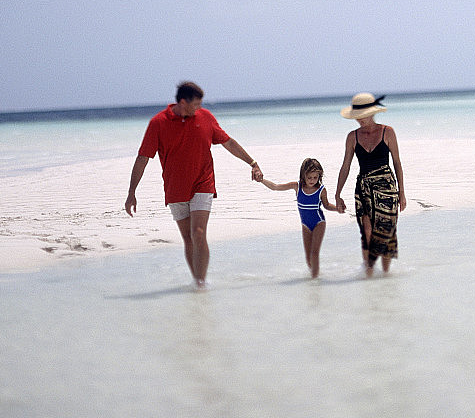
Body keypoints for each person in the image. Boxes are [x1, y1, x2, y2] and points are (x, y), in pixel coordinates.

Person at [124, 81, 264, 289]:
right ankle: (197, 282)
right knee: (189, 239)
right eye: (196, 104)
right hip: (175, 189)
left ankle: (201, 283)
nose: (199, 108)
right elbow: (143, 158)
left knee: (198, 232)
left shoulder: (205, 117)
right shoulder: (158, 123)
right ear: (182, 102)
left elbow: (228, 142)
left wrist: (252, 163)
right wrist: (131, 192)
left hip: (203, 182)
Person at [335, 93, 406, 276]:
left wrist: (402, 193)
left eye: (362, 116)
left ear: (372, 113)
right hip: (363, 188)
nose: (359, 120)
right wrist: (337, 194)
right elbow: (346, 166)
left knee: (385, 233)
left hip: (387, 188)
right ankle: (368, 273)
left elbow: (397, 163)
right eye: (356, 117)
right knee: (367, 232)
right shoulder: (352, 137)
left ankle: (386, 276)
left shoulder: (387, 132)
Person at [259, 158, 336, 278]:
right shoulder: (297, 186)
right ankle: (315, 276)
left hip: (319, 223)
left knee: (314, 253)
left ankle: (315, 282)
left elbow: (326, 205)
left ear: (319, 176)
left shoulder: (321, 190)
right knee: (308, 258)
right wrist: (261, 180)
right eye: (309, 177)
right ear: (303, 176)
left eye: (315, 177)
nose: (312, 180)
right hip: (305, 225)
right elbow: (275, 187)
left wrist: (338, 208)